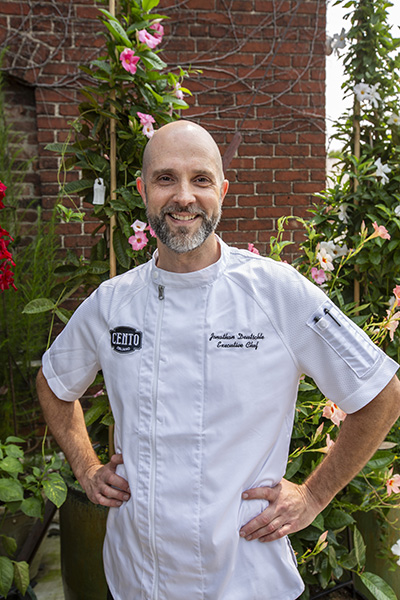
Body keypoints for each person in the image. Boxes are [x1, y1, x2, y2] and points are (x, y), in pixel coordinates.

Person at [37, 120, 400, 600]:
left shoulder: (276, 291)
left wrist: (314, 495)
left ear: (223, 191)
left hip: (248, 579)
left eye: (201, 179)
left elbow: (380, 392)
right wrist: (85, 467)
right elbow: (54, 382)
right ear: (143, 190)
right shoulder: (112, 303)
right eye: (166, 178)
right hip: (137, 580)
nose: (184, 196)